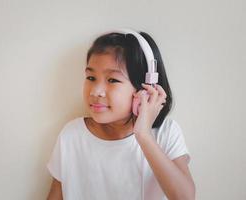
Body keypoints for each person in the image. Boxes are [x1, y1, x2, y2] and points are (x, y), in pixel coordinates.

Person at [46, 29, 195, 200]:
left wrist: (144, 135)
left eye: (112, 80)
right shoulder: (71, 135)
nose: (96, 92)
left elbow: (185, 197)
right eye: (91, 78)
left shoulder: (166, 133)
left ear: (146, 89)